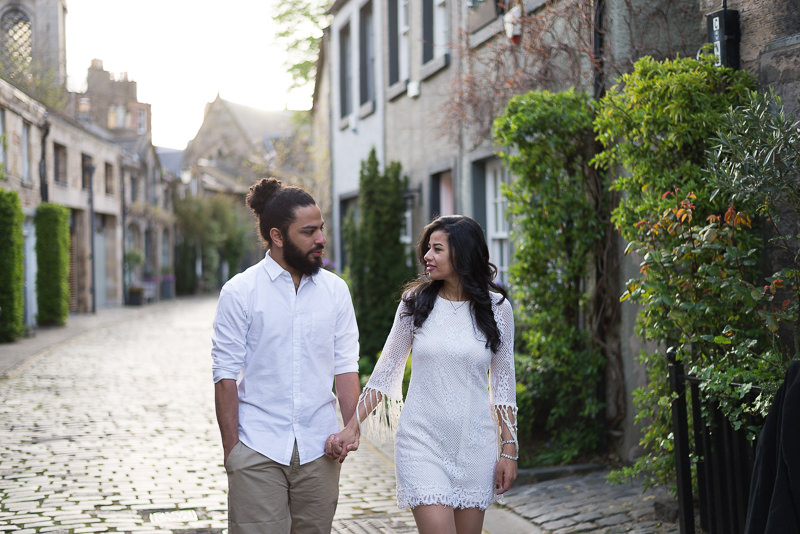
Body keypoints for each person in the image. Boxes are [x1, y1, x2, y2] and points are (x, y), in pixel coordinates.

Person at [327, 214, 518, 534]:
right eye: (428, 248)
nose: (427, 256)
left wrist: (509, 450)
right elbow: (385, 372)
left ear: (463, 253)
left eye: (437, 249)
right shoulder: (414, 304)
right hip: (421, 441)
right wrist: (352, 426)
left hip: (475, 444)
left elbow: (503, 383)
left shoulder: (497, 308)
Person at [212, 177, 361, 534]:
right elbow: (225, 375)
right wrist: (233, 451)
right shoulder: (240, 292)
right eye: (308, 232)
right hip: (257, 447)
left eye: (321, 229)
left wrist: (350, 428)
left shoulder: (336, 292)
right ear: (277, 236)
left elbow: (345, 368)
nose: (321, 239)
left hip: (319, 451)